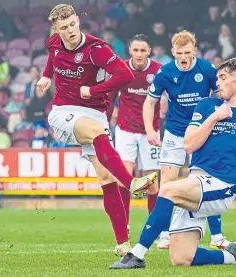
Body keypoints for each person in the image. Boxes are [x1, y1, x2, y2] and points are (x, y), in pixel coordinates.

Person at [109, 58, 236, 269]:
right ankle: (231, 256)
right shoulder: (207, 105)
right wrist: (214, 117)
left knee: (168, 189)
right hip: (195, 183)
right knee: (181, 259)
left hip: (221, 186)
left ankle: (137, 255)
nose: (218, 83)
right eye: (217, 79)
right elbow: (189, 144)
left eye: (223, 78)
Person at [36, 4, 157, 257]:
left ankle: (122, 243)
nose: (70, 31)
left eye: (72, 25)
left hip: (94, 112)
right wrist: (46, 77)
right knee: (95, 132)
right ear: (55, 30)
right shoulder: (53, 43)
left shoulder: (97, 50)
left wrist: (93, 91)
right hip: (63, 110)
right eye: (63, 28)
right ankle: (132, 182)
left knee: (106, 179)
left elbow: (123, 75)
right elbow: (52, 58)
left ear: (77, 21)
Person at [143, 30, 228, 250]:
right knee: (168, 183)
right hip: (174, 133)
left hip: (201, 132)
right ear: (173, 52)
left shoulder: (207, 69)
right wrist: (150, 130)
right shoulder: (164, 72)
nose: (183, 57)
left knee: (208, 180)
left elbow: (223, 96)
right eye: (179, 52)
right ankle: (164, 234)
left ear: (195, 51)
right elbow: (149, 103)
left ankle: (217, 236)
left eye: (187, 52)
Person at [115, 34, 161, 232]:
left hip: (150, 132)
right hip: (125, 130)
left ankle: (153, 227)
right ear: (130, 51)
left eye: (143, 50)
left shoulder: (159, 71)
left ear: (149, 51)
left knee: (153, 186)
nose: (139, 54)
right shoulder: (121, 69)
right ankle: (123, 226)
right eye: (136, 50)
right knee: (123, 179)